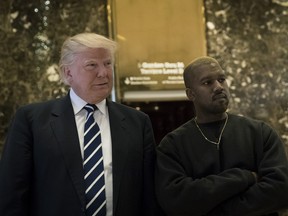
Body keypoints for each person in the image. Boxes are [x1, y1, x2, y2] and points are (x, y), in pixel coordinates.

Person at [0, 33, 162, 216]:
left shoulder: (137, 122)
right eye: (92, 65)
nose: (104, 73)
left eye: (107, 63)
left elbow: (150, 196)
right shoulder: (32, 120)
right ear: (68, 73)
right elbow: (12, 193)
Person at [155, 56, 288, 216]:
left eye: (222, 79)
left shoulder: (260, 133)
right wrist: (245, 177)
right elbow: (175, 200)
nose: (218, 87)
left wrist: (215, 209)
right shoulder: (173, 145)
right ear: (191, 94)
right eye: (207, 82)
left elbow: (280, 190)